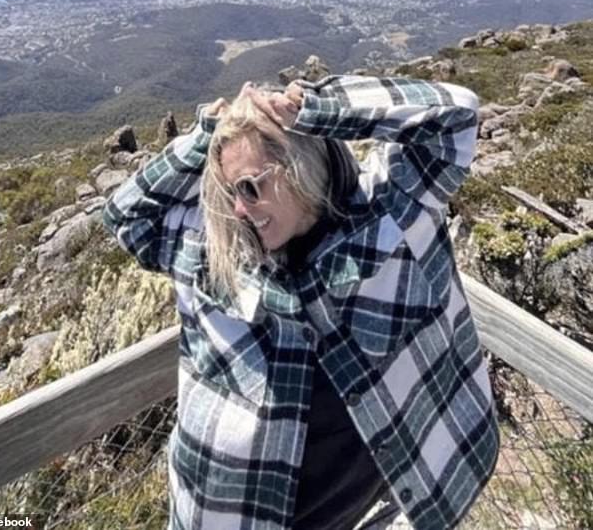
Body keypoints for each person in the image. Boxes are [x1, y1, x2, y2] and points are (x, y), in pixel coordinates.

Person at [103, 74, 499, 530]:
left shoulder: (390, 217)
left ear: (299, 166)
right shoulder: (213, 253)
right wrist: (204, 138)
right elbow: (125, 215)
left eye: (250, 187)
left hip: (380, 506)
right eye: (230, 192)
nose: (238, 210)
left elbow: (455, 115)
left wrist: (316, 108)